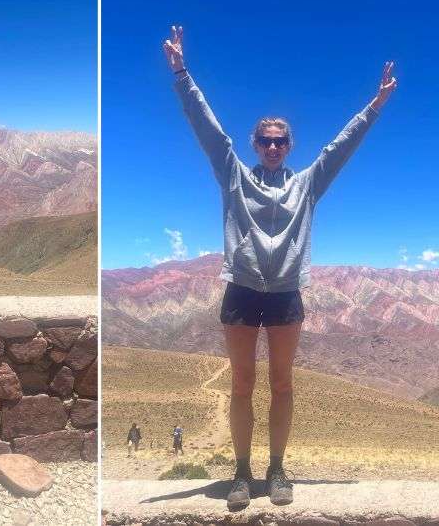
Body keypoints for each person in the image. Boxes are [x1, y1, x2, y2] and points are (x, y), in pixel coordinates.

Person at [163, 26, 396, 510]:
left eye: (281, 141)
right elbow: (208, 129)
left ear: (289, 146)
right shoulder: (233, 174)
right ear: (254, 143)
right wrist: (183, 74)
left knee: (283, 382)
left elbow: (339, 148)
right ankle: (242, 472)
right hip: (242, 290)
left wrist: (374, 107)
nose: (273, 147)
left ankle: (278, 468)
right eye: (266, 140)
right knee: (242, 383)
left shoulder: (307, 184)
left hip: (287, 291)